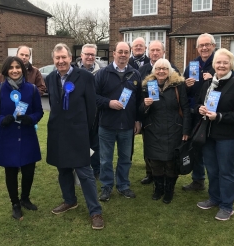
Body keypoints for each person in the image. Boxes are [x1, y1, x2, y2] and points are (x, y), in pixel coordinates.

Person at [45, 43, 104, 230]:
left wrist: (86, 131)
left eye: (64, 57)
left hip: (79, 133)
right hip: (58, 133)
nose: (61, 61)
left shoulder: (85, 77)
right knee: (63, 170)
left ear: (71, 58)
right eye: (57, 58)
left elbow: (91, 108)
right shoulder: (50, 78)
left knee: (85, 173)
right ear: (53, 60)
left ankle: (95, 211)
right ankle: (69, 200)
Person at [195, 48, 234, 220]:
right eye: (218, 62)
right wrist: (199, 108)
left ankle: (227, 206)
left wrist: (219, 116)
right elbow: (197, 103)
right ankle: (214, 198)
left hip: (228, 136)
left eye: (225, 62)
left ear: (231, 65)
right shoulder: (208, 84)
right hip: (209, 134)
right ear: (214, 64)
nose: (222, 65)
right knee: (212, 169)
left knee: (226, 171)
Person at [0, 56, 43, 220]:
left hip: (27, 136)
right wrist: (0, 120)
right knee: (10, 172)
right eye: (11, 67)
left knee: (29, 171)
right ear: (6, 70)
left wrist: (31, 119)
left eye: (18, 67)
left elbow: (39, 111)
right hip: (8, 136)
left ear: (23, 69)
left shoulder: (31, 89)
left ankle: (25, 198)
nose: (14, 70)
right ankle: (15, 204)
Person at [95, 41, 142, 201]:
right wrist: (108, 103)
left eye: (126, 52)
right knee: (105, 159)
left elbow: (138, 100)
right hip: (107, 125)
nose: (123, 55)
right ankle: (106, 187)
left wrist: (137, 120)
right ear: (113, 53)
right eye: (120, 51)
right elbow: (93, 97)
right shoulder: (102, 73)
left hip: (127, 125)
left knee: (125, 158)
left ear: (129, 54)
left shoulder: (135, 74)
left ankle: (123, 186)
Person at [139, 58, 191, 203]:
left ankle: (169, 190)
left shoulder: (177, 85)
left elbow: (185, 108)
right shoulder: (147, 86)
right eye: (158, 68)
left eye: (164, 68)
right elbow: (139, 111)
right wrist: (145, 104)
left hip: (174, 129)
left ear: (169, 71)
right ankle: (158, 188)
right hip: (153, 130)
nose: (161, 71)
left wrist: (186, 130)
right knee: (155, 163)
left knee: (170, 163)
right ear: (154, 71)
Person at [138, 40, 180, 185]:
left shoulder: (172, 69)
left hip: (168, 120)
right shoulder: (142, 70)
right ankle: (150, 173)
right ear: (148, 52)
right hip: (150, 118)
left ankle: (165, 178)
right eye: (152, 50)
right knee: (149, 147)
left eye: (158, 50)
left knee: (168, 150)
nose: (155, 53)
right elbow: (139, 96)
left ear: (163, 52)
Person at [182, 33, 217, 192]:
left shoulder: (219, 62)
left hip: (213, 115)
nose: (204, 48)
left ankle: (215, 185)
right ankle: (198, 180)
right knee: (195, 146)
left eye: (207, 44)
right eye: (201, 45)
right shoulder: (192, 65)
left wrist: (215, 78)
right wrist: (186, 85)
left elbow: (231, 86)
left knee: (211, 151)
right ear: (197, 48)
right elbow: (183, 91)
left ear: (213, 46)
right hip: (195, 112)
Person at [76, 44, 102, 179]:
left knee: (95, 144)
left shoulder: (101, 71)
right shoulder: (73, 71)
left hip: (96, 115)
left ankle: (96, 170)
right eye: (87, 54)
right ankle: (79, 169)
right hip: (78, 115)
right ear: (81, 55)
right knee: (79, 143)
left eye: (92, 54)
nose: (90, 57)